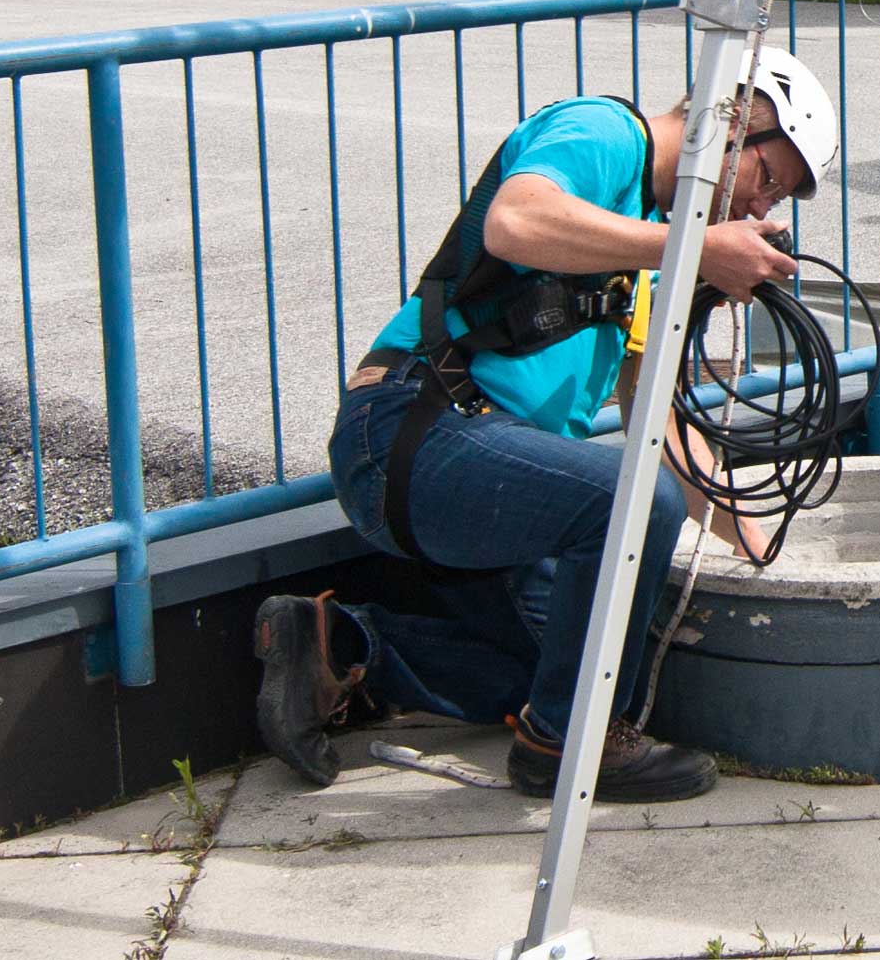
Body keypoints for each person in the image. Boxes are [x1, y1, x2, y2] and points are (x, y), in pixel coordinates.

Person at [251, 45, 840, 803]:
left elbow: (657, 423)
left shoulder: (647, 246)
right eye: (768, 182)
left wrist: (755, 539)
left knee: (565, 663)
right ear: (733, 126)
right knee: (630, 507)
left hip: (484, 470)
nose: (761, 209)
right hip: (411, 429)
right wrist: (693, 245)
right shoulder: (604, 134)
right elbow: (515, 221)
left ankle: (336, 645)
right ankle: (568, 747)